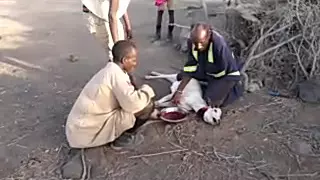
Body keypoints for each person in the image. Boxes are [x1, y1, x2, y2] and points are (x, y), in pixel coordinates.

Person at [65, 40, 158, 150]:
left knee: (139, 102)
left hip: (77, 129)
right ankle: (122, 140)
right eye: (133, 60)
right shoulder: (116, 76)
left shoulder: (111, 70)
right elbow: (134, 104)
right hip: (84, 134)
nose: (135, 63)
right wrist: (147, 90)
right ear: (124, 60)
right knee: (147, 105)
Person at [172, 23, 244, 110]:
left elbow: (231, 73)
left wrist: (221, 97)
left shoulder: (219, 46)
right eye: (196, 43)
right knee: (181, 76)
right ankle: (208, 85)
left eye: (202, 43)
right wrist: (179, 91)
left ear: (208, 36)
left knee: (210, 100)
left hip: (224, 75)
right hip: (206, 70)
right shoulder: (192, 41)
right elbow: (190, 67)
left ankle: (232, 89)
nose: (198, 47)